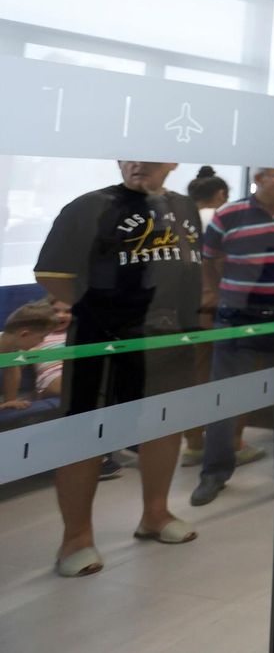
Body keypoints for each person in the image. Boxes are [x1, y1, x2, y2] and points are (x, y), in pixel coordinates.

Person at [33, 161, 205, 577]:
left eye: (150, 153)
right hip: (101, 340)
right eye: (129, 153)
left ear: (173, 161)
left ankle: (156, 515)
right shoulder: (90, 206)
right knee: (85, 435)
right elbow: (54, 277)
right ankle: (76, 539)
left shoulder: (184, 207)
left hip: (168, 337)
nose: (138, 162)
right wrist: (108, 313)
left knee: (165, 426)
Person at [191, 166, 274, 507]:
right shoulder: (230, 214)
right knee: (225, 399)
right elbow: (210, 259)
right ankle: (214, 473)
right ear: (258, 179)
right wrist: (223, 296)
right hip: (237, 319)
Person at [180, 167, 241, 467]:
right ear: (220, 196)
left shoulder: (180, 221)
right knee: (231, 376)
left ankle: (193, 443)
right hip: (218, 308)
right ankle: (233, 444)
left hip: (185, 310)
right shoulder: (223, 221)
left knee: (195, 375)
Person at [0, 301, 65, 426]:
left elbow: (12, 371)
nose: (42, 341)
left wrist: (10, 401)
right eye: (41, 337)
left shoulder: (11, 347)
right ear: (24, 334)